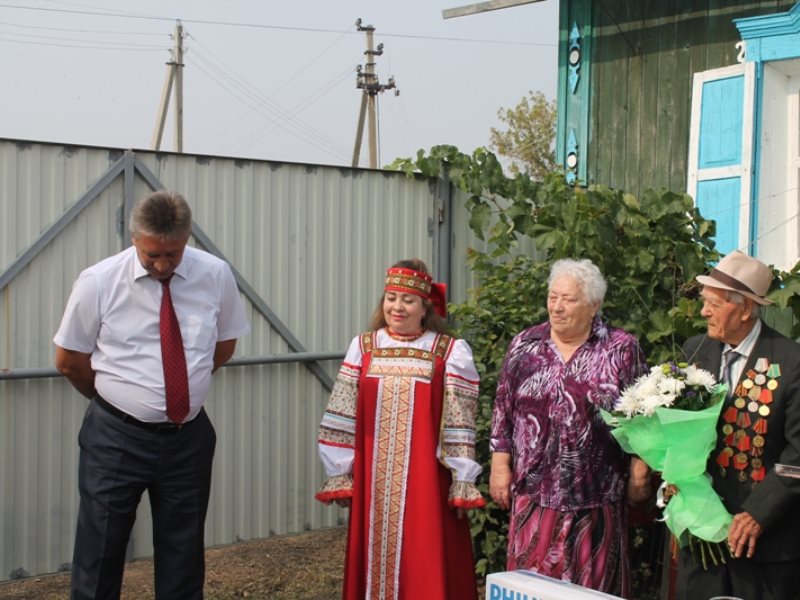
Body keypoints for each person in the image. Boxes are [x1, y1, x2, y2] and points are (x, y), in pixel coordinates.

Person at [53, 190, 250, 600]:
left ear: (187, 239)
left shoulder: (215, 275)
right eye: (151, 256)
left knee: (183, 554)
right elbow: (69, 359)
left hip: (188, 439)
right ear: (134, 239)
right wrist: (120, 401)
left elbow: (225, 343)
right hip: (115, 438)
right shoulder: (99, 281)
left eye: (172, 255)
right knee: (100, 552)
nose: (162, 265)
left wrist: (182, 390)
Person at [315, 259, 485, 600]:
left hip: (428, 481)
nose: (397, 306)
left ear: (425, 307)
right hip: (372, 481)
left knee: (426, 560)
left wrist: (462, 478)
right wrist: (340, 470)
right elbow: (342, 411)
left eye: (407, 300)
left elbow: (460, 420)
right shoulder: (364, 347)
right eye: (391, 297)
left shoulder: (448, 351)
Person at [489, 258, 649, 598]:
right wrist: (500, 466)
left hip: (596, 499)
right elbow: (503, 407)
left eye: (569, 299)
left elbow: (641, 415)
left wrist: (639, 471)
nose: (557, 307)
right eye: (552, 297)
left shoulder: (621, 348)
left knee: (593, 589)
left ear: (594, 305)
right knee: (530, 586)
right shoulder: (524, 345)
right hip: (534, 494)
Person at [677, 250, 800, 600]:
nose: (703, 312)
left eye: (713, 304)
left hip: (766, 545)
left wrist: (757, 513)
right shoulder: (695, 350)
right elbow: (680, 429)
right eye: (705, 302)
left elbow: (799, 453)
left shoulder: (791, 362)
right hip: (703, 538)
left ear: (745, 308)